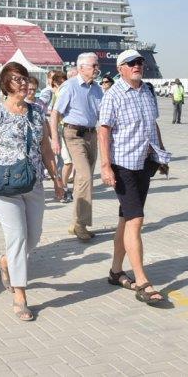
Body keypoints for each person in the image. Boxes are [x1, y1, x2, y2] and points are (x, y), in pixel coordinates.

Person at [0, 62, 64, 321]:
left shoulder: (37, 113)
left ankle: (6, 262)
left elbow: (45, 150)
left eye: (25, 78)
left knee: (33, 237)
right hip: (4, 186)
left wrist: (57, 180)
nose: (23, 83)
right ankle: (20, 295)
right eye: (17, 79)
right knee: (17, 237)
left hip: (33, 183)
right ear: (6, 84)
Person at [99, 50, 170, 305]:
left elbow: (153, 125)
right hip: (123, 165)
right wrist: (105, 166)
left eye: (139, 62)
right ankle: (142, 281)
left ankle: (116, 271)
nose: (137, 66)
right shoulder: (113, 95)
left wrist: (160, 155)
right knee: (136, 219)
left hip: (144, 163)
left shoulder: (148, 91)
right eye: (131, 63)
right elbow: (103, 132)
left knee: (126, 219)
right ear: (121, 69)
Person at [50, 53, 103, 241]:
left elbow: (103, 113)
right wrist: (55, 139)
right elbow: (55, 114)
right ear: (81, 68)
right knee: (86, 176)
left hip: (91, 134)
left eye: (97, 65)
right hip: (73, 134)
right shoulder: (70, 86)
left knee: (82, 180)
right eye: (93, 65)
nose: (97, 68)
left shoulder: (97, 89)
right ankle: (81, 225)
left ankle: (75, 223)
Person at [49, 72, 73, 203]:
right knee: (66, 161)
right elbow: (54, 114)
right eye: (60, 81)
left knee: (65, 162)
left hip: (67, 131)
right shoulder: (58, 93)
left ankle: (62, 188)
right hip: (62, 130)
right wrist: (55, 137)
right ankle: (62, 188)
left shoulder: (63, 92)